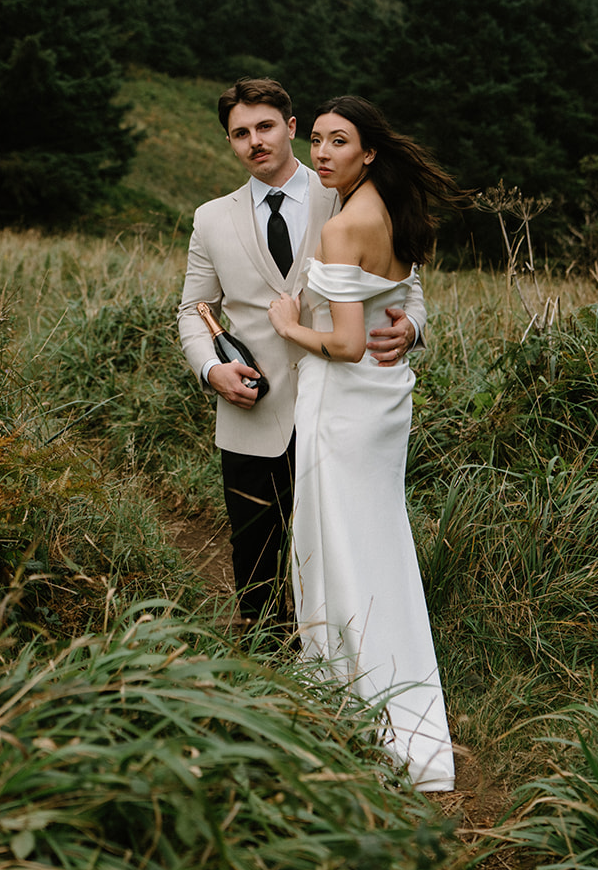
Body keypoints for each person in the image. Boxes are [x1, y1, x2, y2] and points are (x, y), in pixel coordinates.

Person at [177, 77, 425, 635]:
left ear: (291, 128)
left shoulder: (343, 189)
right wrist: (212, 369)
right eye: (240, 133)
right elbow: (193, 308)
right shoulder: (210, 218)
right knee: (257, 561)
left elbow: (405, 284)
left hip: (335, 409)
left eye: (265, 126)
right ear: (231, 144)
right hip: (251, 413)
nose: (254, 141)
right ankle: (264, 669)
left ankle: (340, 650)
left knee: (334, 546)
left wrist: (412, 327)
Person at [267, 94, 464, 792]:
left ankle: (356, 701)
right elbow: (405, 298)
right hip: (384, 407)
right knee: (376, 541)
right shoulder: (393, 210)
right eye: (316, 140)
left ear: (368, 151)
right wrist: (409, 327)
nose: (322, 153)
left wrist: (290, 325)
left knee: (338, 544)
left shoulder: (344, 226)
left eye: (338, 142)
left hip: (345, 404)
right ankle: (366, 691)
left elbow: (348, 345)